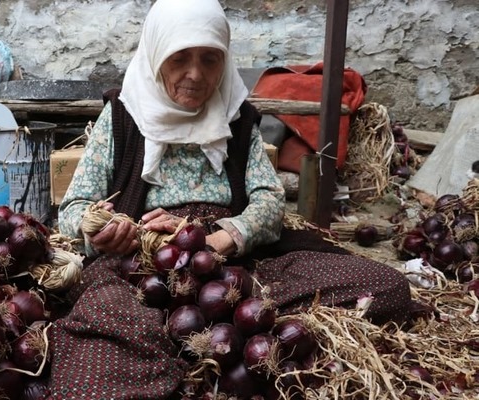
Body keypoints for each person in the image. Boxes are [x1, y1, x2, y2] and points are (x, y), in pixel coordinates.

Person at [48, 0, 412, 398]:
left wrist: (221, 239)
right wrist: (97, 228)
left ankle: (222, 335)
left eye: (210, 59)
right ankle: (205, 349)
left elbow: (270, 204)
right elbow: (73, 209)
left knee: (385, 285)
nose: (195, 74)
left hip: (232, 273)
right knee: (95, 364)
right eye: (179, 58)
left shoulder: (236, 117)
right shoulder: (122, 114)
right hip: (140, 273)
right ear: (155, 55)